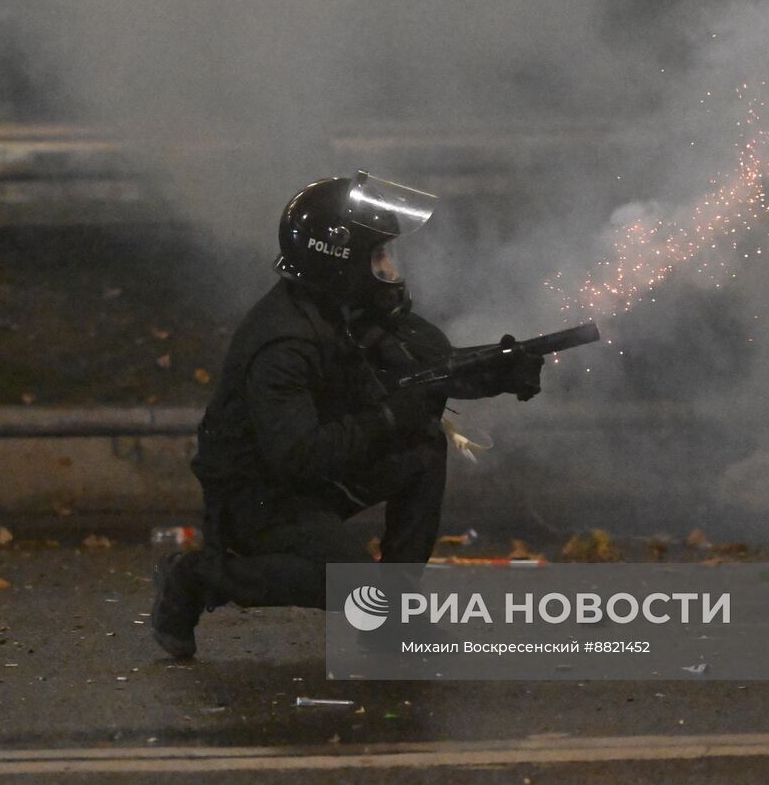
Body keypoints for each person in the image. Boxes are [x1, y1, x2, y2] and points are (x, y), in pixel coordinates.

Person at [151, 171, 544, 659]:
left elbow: (427, 372)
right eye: (378, 256)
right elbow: (296, 455)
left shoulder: (350, 309)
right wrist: (387, 419)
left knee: (423, 449)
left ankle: (393, 618)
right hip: (255, 496)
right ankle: (196, 578)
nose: (390, 268)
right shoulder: (285, 343)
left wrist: (497, 373)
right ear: (341, 263)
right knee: (349, 584)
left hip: (314, 475)